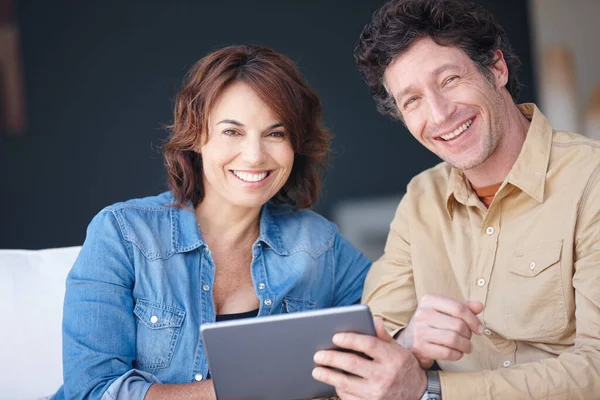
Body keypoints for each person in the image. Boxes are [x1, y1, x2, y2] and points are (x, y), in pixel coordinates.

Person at [311, 0, 600, 399]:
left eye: (449, 80)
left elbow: (597, 369)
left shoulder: (591, 180)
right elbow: (373, 347)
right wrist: (410, 339)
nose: (440, 114)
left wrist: (429, 387)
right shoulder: (421, 200)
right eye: (411, 100)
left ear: (496, 68)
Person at [51, 44, 371, 400]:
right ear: (196, 136)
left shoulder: (318, 244)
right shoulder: (123, 234)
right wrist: (246, 389)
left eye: (275, 133)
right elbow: (92, 392)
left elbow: (390, 329)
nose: (254, 156)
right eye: (232, 132)